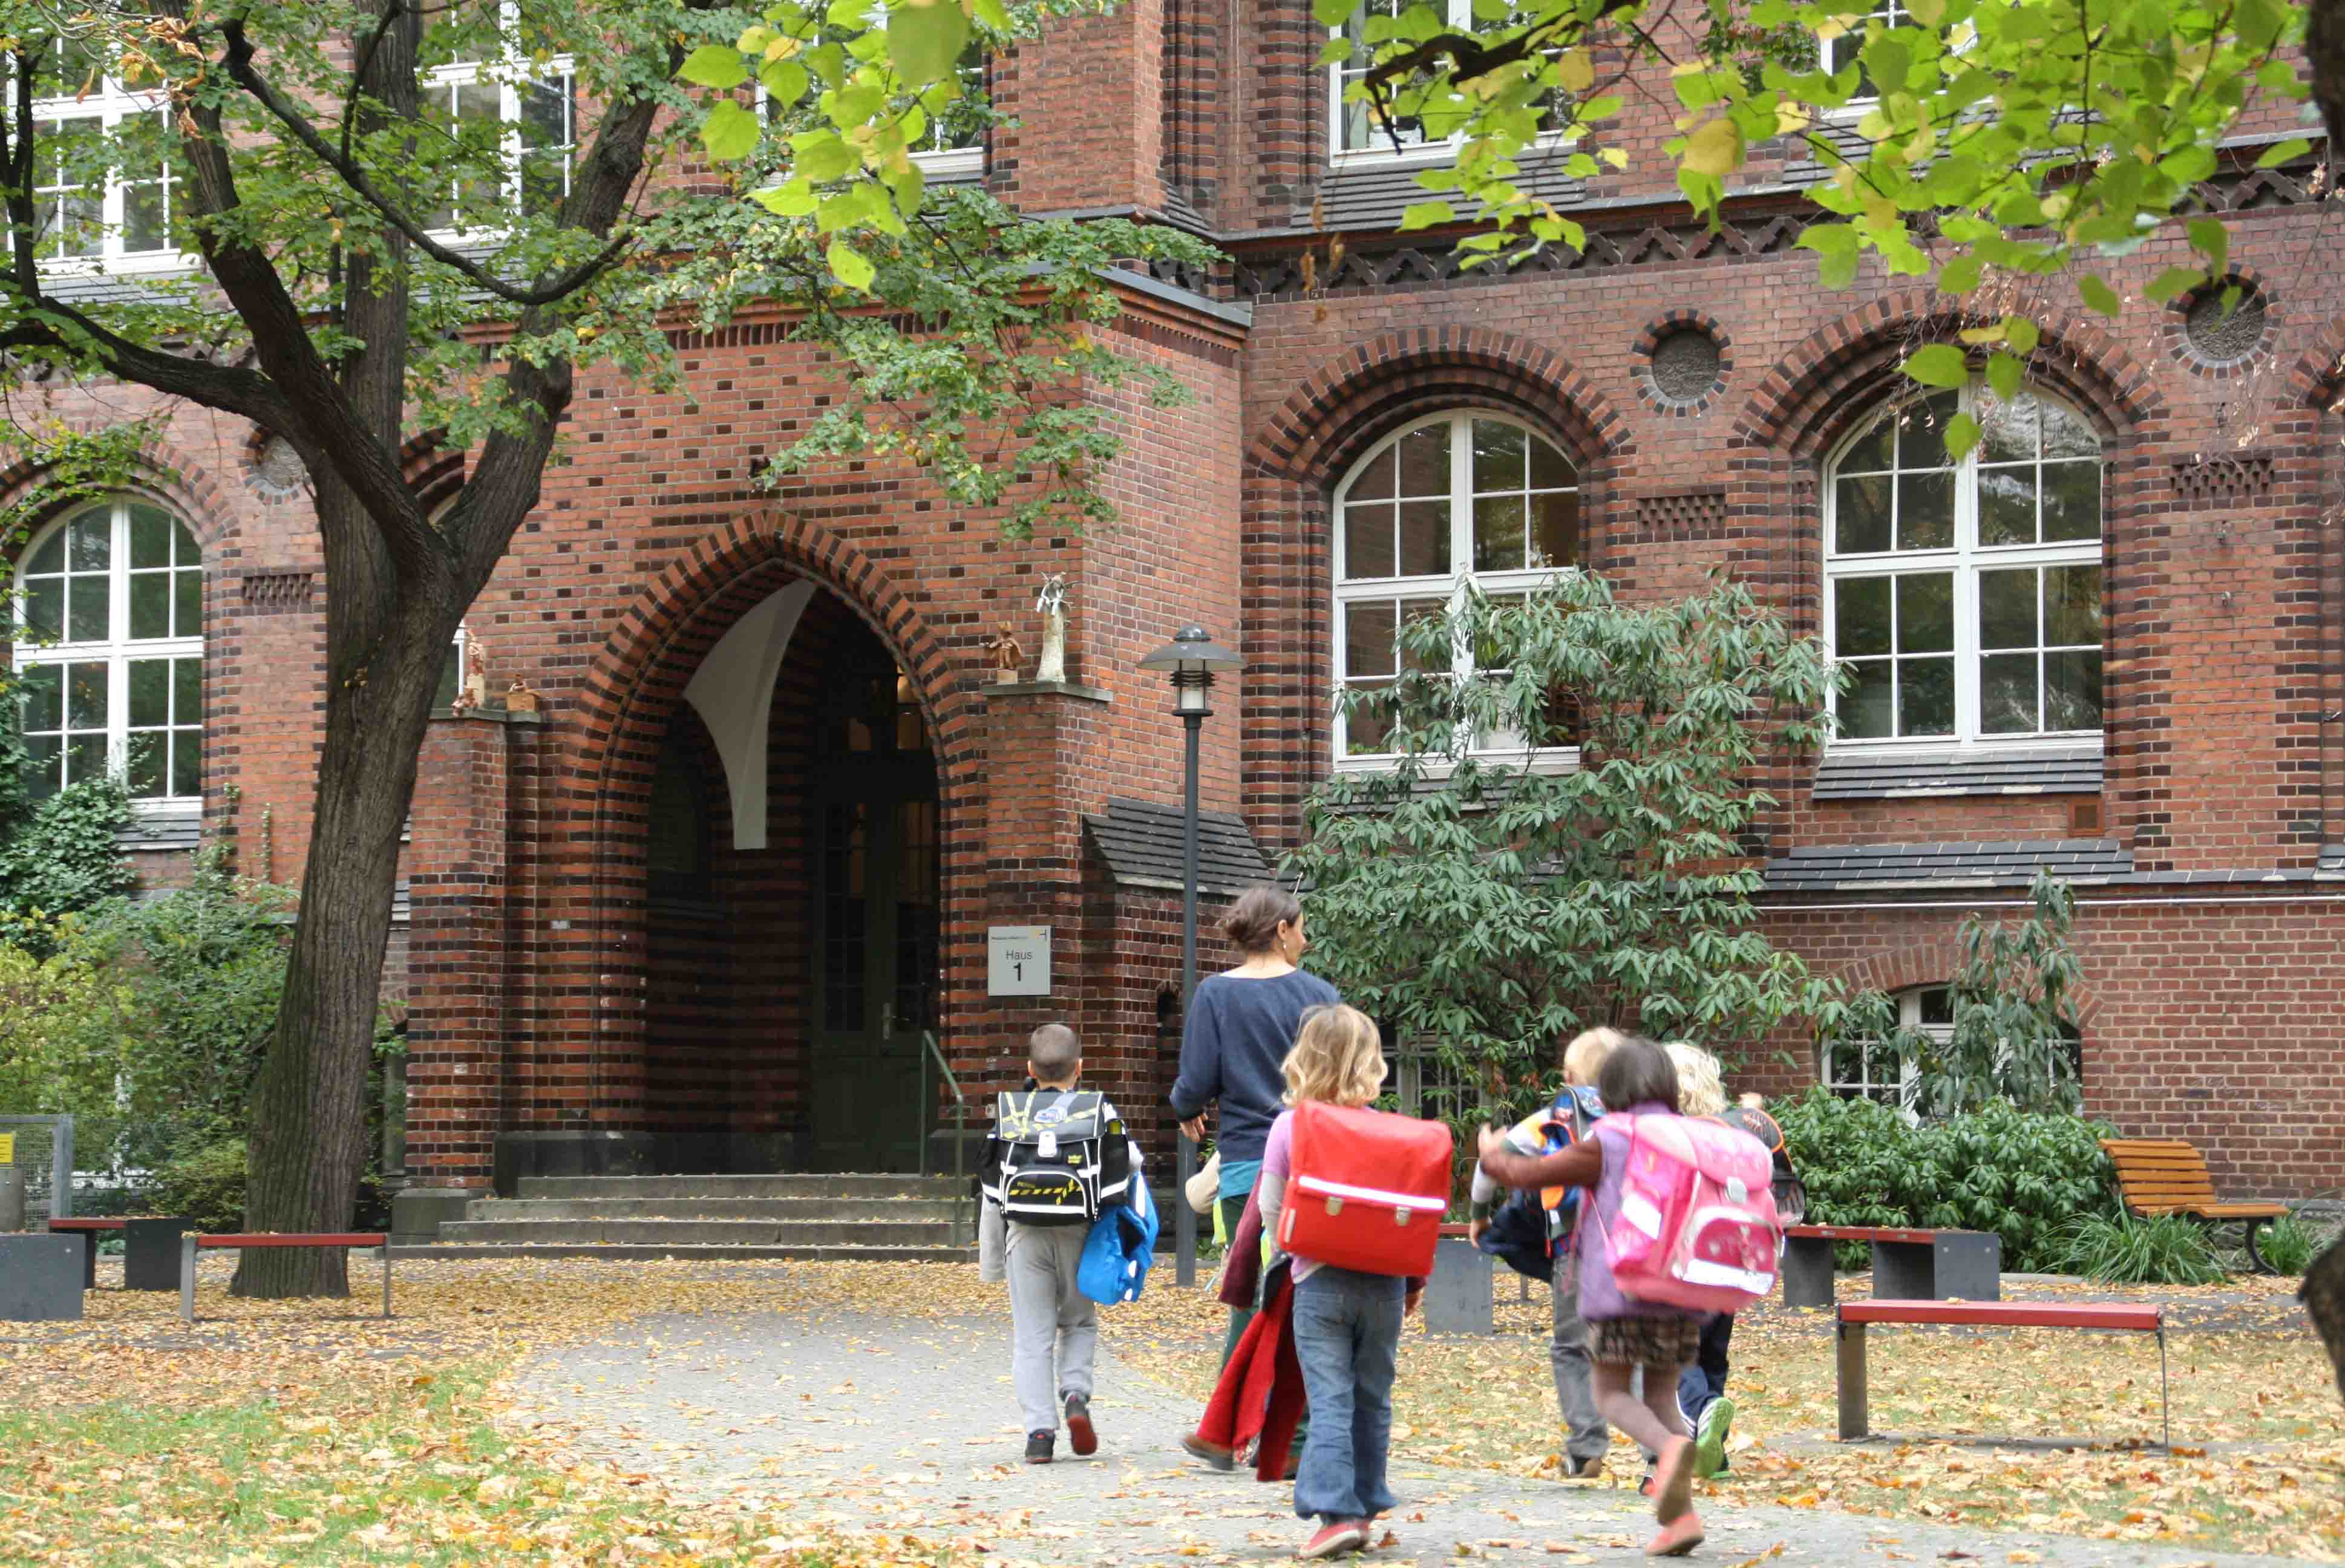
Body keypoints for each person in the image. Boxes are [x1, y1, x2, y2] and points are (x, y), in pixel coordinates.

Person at [1479, 1036, 1708, 1558]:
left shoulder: (1611, 1137)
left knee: (1610, 1395)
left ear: (1610, 1091)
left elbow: (1533, 1175)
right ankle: (1682, 1518)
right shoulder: (1691, 1136)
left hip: (1622, 1293)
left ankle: (1671, 1450)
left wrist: (1494, 1157)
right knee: (1661, 1399)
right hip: (1679, 1293)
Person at [1255, 1003, 1424, 1561]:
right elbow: (1412, 1211)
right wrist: (1412, 1281)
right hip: (1385, 1286)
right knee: (1373, 1398)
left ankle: (1337, 1513)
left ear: (1304, 1059)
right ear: (1372, 1064)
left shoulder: (1289, 1126)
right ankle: (1369, 1502)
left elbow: (1274, 1212)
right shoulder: (1392, 1133)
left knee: (1330, 1398)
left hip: (1320, 1283)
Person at [1170, 883, 1341, 1365]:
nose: (1306, 941)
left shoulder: (1215, 994)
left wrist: (1186, 1110)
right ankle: (1296, 1429)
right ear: (1282, 930)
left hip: (1247, 1164)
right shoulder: (1321, 996)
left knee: (1248, 1298)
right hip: (1314, 1164)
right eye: (1302, 930)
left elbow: (1196, 1079)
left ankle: (1230, 1425)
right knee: (1311, 1293)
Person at [976, 1023, 1137, 1465]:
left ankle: (1040, 1436)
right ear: (1079, 1069)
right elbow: (1131, 1163)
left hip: (1024, 1237)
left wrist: (990, 1263)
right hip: (1081, 1234)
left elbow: (992, 1192)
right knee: (1080, 1324)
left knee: (1032, 1338)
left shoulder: (1011, 1113)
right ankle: (1076, 1395)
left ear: (1030, 1068)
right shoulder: (1098, 1110)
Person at [1466, 1025, 1621, 1480]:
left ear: (1570, 1075)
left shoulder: (1554, 1116)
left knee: (1572, 1349)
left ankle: (1587, 1444)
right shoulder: (1635, 1119)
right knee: (1634, 1347)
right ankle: (1659, 1452)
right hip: (1634, 1254)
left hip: (1574, 1252)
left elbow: (1491, 1165)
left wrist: (1479, 1214)